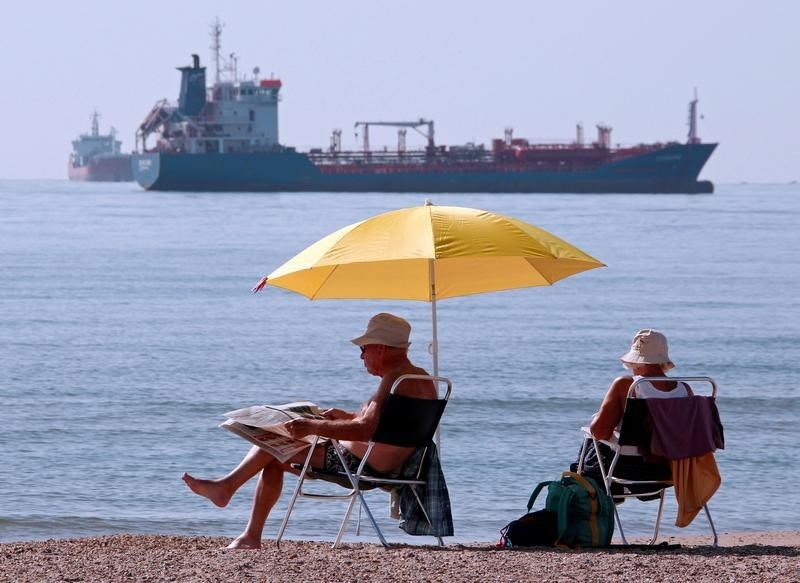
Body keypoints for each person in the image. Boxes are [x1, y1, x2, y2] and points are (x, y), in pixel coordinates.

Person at [182, 312, 436, 549]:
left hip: (361, 466)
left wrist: (311, 425)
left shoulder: (393, 380)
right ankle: (243, 522)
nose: (361, 356)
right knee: (274, 457)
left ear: (381, 347)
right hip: (389, 466)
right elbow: (386, 426)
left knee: (271, 443)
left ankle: (230, 497)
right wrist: (346, 416)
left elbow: (363, 430)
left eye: (363, 348)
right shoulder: (421, 379)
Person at [575, 329, 692, 490]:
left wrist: (595, 419)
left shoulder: (627, 385)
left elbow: (600, 432)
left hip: (631, 470)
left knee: (590, 444)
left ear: (636, 360)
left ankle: (594, 508)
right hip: (671, 471)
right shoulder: (685, 390)